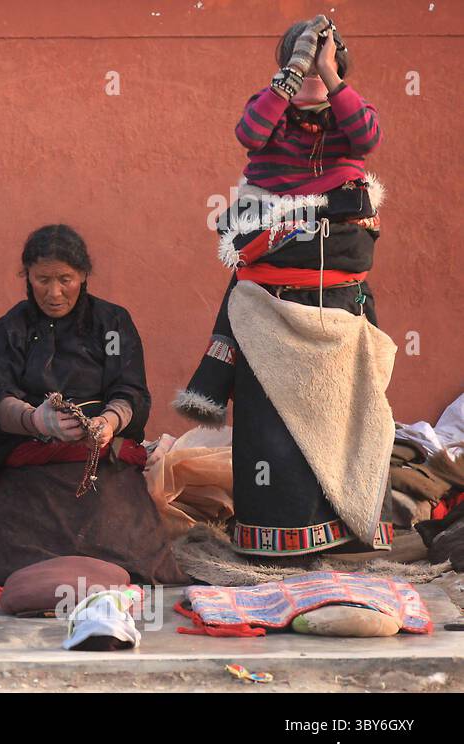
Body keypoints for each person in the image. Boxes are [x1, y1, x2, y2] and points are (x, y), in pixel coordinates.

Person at [175, 16, 394, 557]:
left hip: (336, 302)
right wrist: (294, 71)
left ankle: (345, 530)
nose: (317, 69)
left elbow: (368, 138)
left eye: (329, 56)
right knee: (275, 428)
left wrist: (330, 74)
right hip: (269, 306)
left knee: (341, 421)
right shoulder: (270, 109)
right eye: (305, 57)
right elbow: (248, 134)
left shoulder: (349, 114)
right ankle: (279, 536)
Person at [0, 225, 185, 586]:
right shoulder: (12, 327)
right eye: (42, 279)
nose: (54, 292)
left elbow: (132, 392)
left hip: (99, 458)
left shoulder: (112, 324)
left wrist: (108, 422)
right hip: (35, 459)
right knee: (16, 559)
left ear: (83, 276)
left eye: (66, 278)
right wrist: (37, 421)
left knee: (136, 555)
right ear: (27, 276)